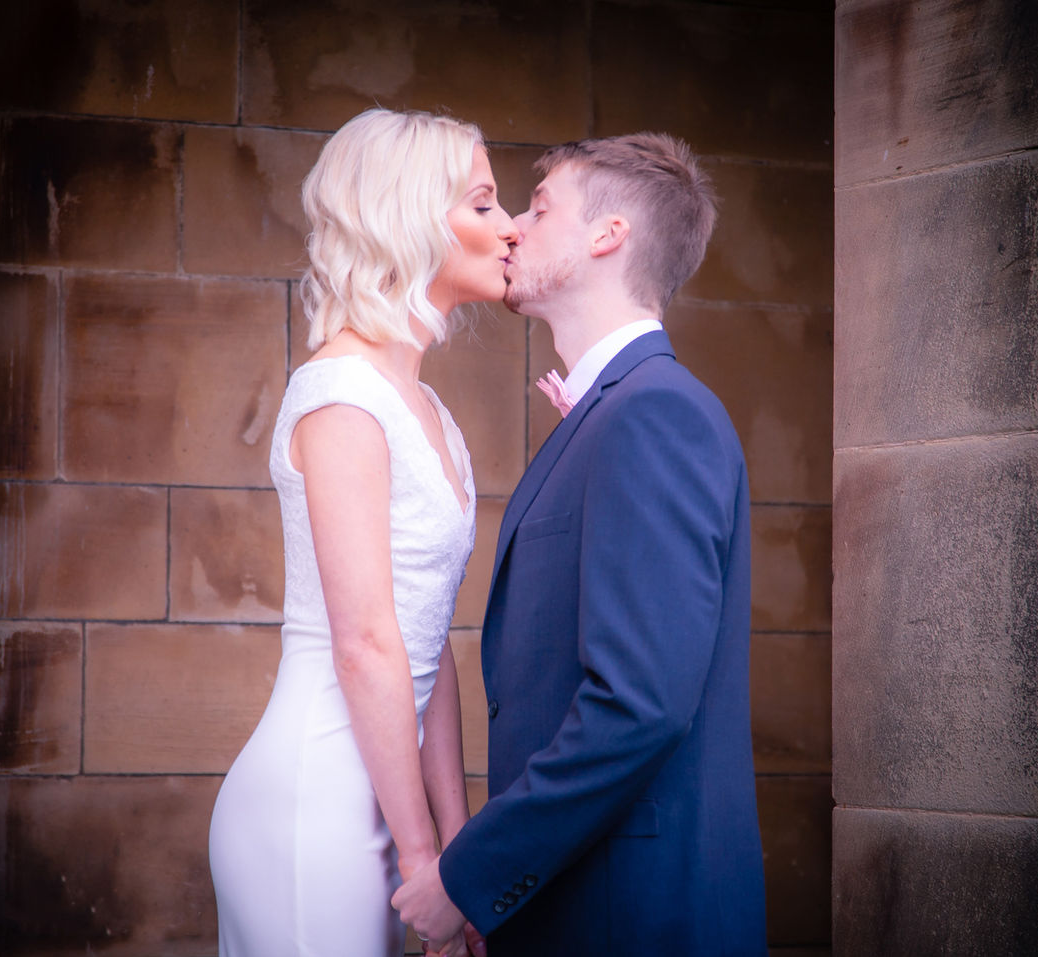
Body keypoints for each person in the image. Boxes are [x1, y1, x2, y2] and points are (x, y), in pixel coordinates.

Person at [392, 133, 767, 956]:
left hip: (629, 917)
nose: (514, 228)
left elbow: (637, 701)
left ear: (609, 235)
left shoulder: (653, 414)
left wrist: (468, 876)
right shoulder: (620, 413)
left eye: (540, 206)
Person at [208, 108, 517, 957]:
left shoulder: (431, 413)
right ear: (411, 217)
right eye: (485, 204)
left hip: (389, 804)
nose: (511, 227)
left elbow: (427, 640)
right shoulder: (342, 390)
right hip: (314, 800)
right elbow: (369, 644)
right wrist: (425, 857)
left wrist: (455, 853)